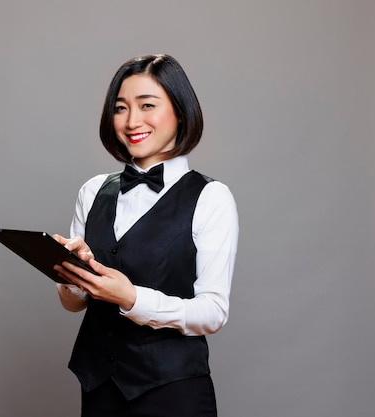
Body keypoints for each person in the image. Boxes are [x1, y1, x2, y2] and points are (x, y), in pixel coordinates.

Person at [52, 54, 239, 417]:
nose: (132, 121)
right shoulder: (92, 191)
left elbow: (213, 312)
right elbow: (74, 304)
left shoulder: (211, 197)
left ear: (180, 112)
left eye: (147, 105)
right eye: (120, 108)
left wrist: (133, 298)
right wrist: (71, 273)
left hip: (173, 392)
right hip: (99, 387)